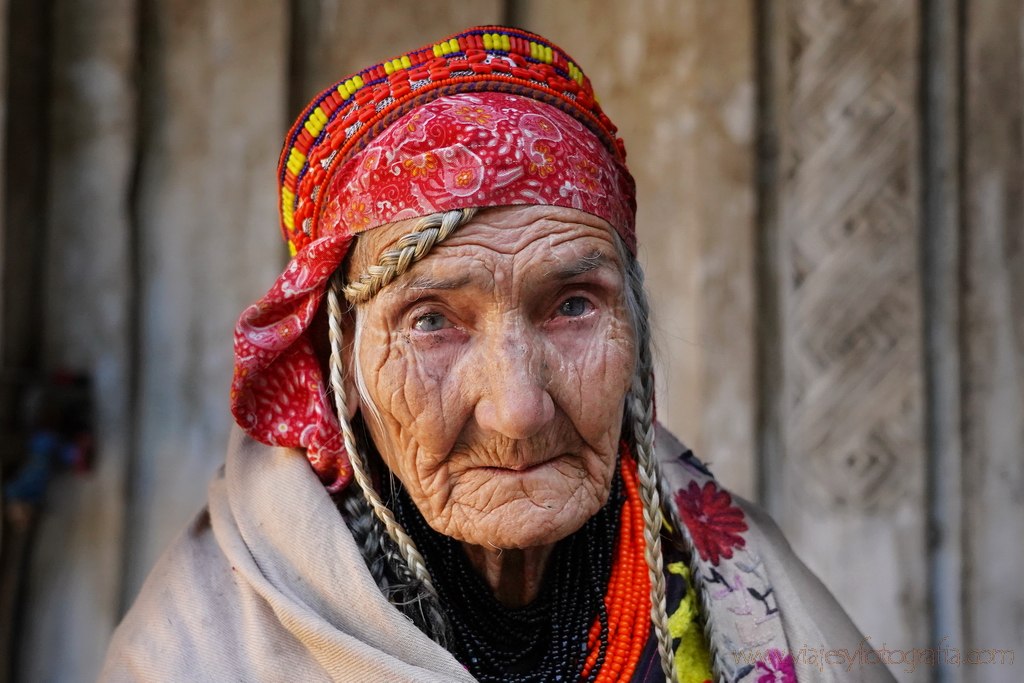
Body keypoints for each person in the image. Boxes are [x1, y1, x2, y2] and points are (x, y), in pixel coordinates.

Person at [101, 26, 893, 682]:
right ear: (338, 357)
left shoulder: (741, 582)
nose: (518, 410)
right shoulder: (204, 645)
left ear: (637, 333)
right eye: (431, 321)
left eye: (573, 306)